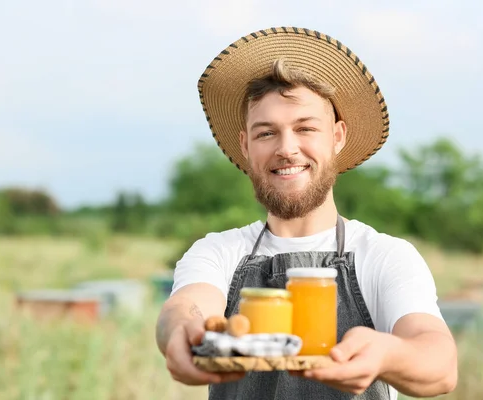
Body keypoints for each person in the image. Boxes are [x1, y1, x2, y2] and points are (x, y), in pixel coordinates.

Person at [156, 27, 458, 400]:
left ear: (337, 136)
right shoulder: (217, 252)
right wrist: (182, 333)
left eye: (305, 128)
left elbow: (440, 364)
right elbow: (187, 306)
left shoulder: (383, 256)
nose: (287, 149)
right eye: (266, 133)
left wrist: (386, 354)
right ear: (245, 145)